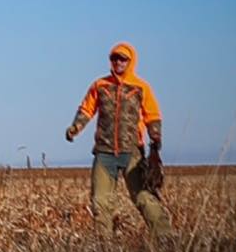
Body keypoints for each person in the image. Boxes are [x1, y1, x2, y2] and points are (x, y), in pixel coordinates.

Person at [65, 42, 174, 235]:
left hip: (132, 152)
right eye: (114, 58)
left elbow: (153, 115)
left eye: (123, 58)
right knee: (100, 202)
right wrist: (75, 128)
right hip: (104, 152)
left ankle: (167, 238)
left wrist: (155, 140)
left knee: (144, 198)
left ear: (131, 61)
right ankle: (105, 248)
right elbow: (87, 109)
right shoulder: (100, 85)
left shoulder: (141, 87)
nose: (118, 62)